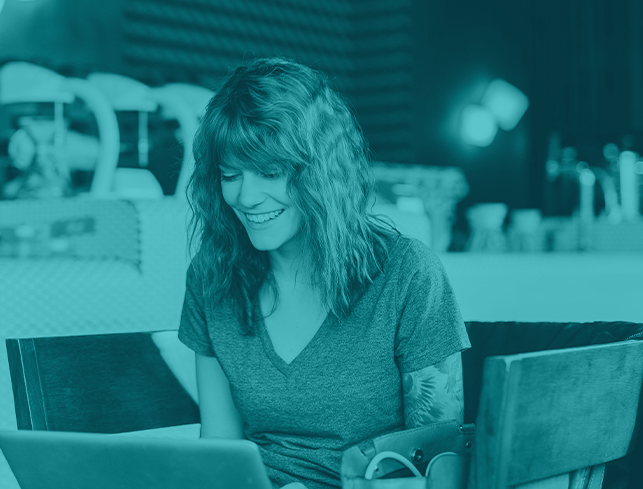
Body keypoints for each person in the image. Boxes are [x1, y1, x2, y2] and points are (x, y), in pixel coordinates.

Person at [178, 57, 471, 489]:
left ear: (321, 171)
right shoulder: (212, 275)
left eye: (270, 172)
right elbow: (219, 447)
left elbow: (440, 463)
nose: (246, 196)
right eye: (230, 175)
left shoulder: (407, 273)